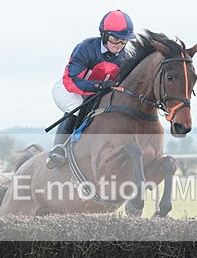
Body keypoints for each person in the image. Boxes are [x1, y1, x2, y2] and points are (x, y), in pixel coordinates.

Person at [45, 9, 136, 169]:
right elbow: (71, 80)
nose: (120, 45)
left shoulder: (124, 58)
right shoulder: (86, 48)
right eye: (115, 39)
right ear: (105, 35)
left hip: (94, 94)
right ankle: (57, 150)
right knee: (77, 109)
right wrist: (98, 86)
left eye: (124, 41)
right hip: (68, 90)